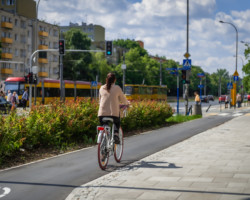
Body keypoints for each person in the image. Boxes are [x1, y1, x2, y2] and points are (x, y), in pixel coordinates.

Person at [98, 73, 129, 144]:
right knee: (116, 122)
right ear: (115, 80)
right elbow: (123, 100)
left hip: (101, 114)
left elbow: (100, 101)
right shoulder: (117, 88)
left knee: (104, 125)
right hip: (113, 114)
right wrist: (127, 104)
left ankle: (104, 139)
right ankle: (115, 134)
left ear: (106, 79)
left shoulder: (101, 88)